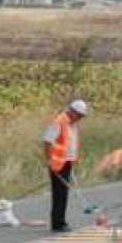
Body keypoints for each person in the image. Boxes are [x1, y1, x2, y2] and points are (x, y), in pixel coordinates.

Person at [43, 99, 88, 232]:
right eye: (79, 115)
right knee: (59, 194)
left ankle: (60, 221)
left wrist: (73, 159)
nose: (80, 118)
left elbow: (70, 143)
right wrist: (49, 161)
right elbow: (47, 142)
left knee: (64, 193)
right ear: (72, 111)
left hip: (67, 162)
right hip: (57, 163)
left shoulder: (72, 124)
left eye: (82, 116)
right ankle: (58, 223)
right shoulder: (59, 122)